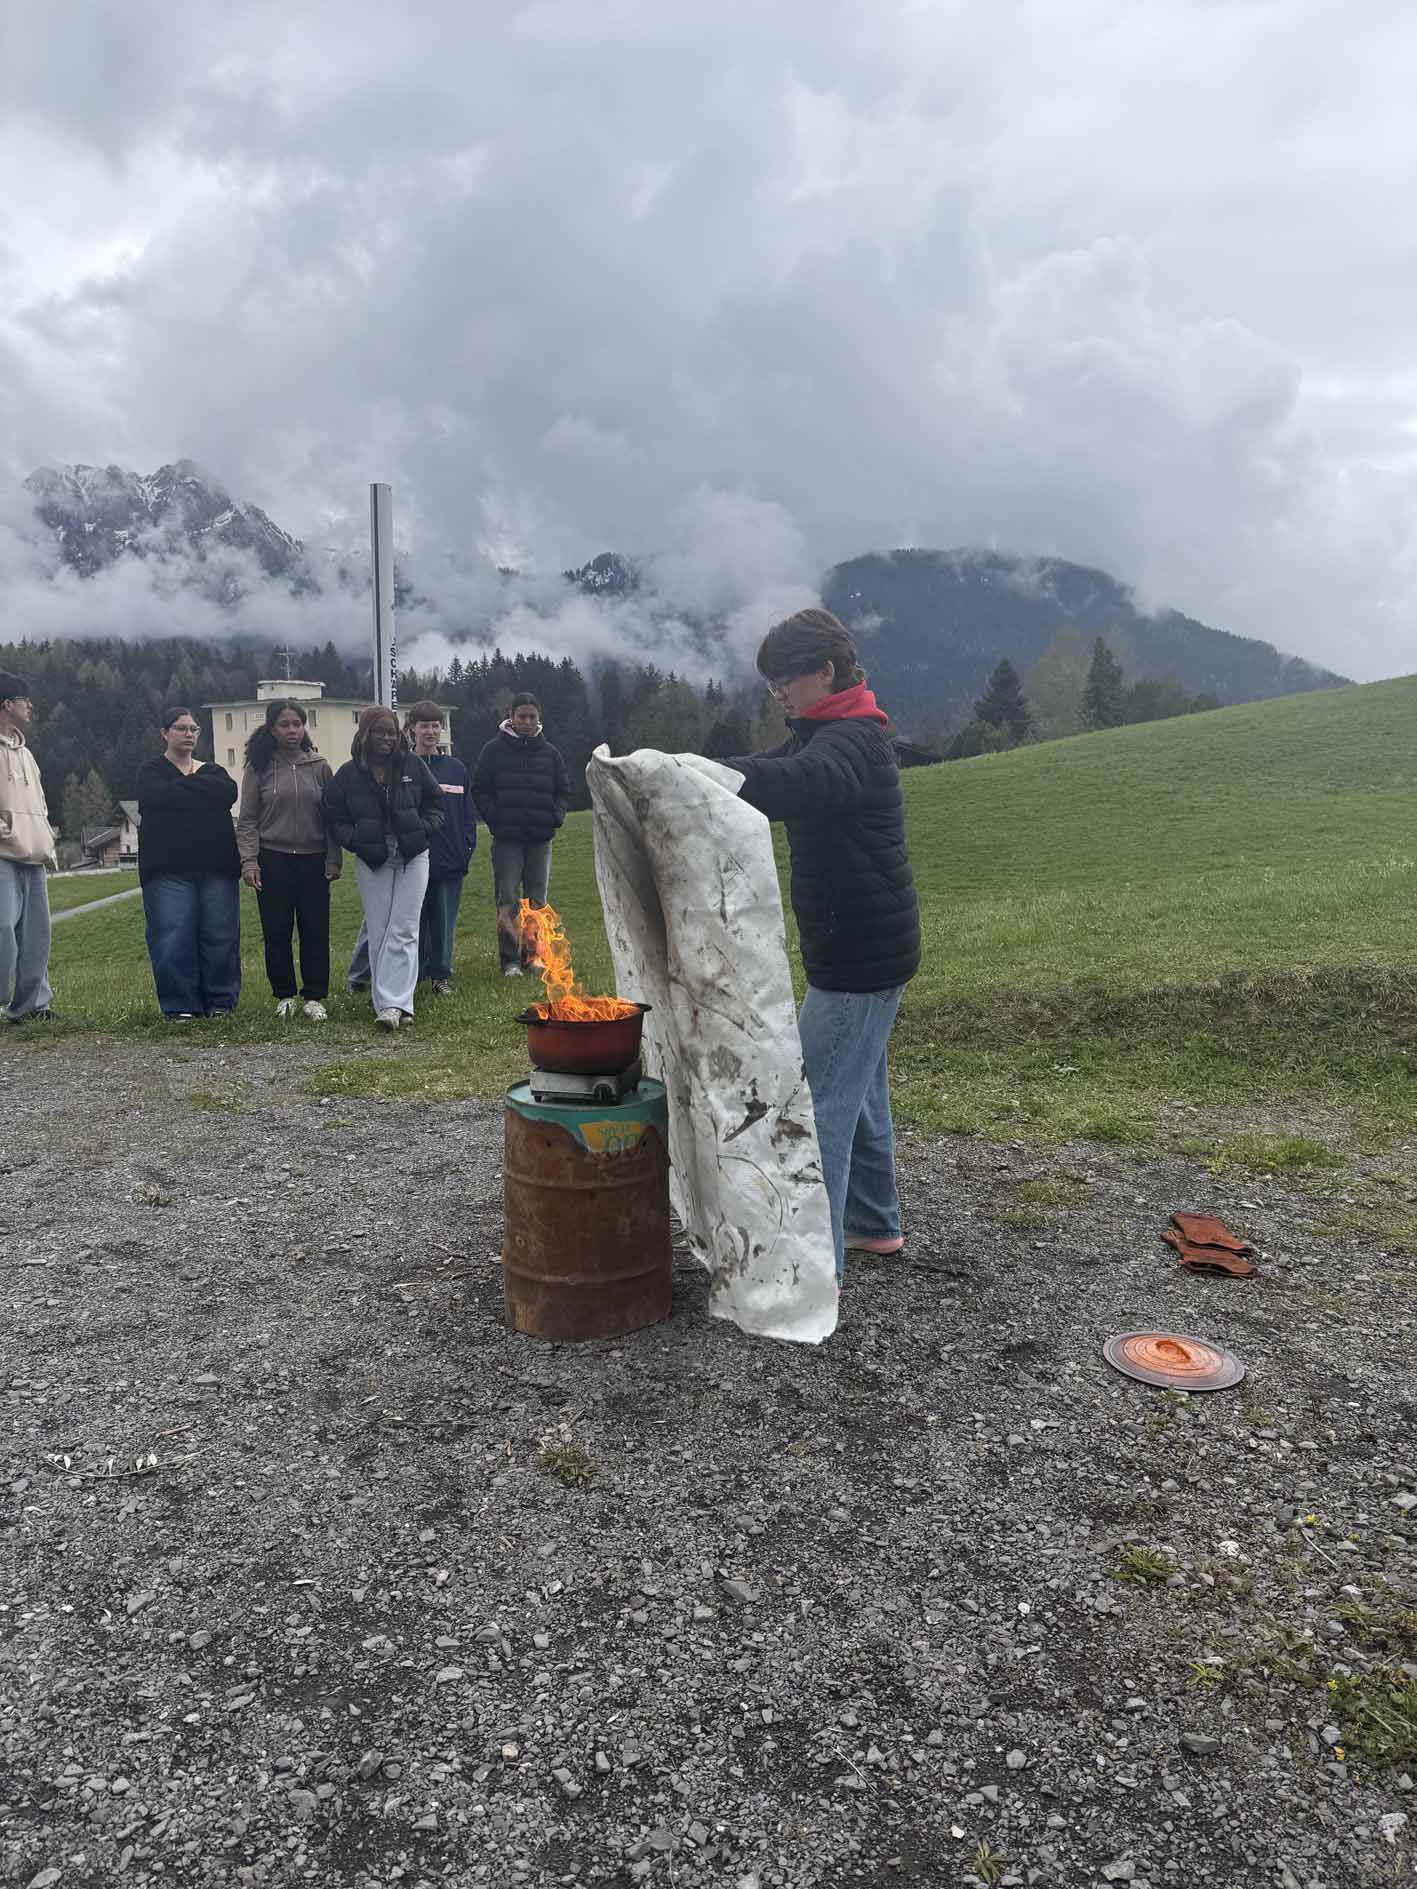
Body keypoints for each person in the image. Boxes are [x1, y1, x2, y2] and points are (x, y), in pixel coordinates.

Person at [724, 609, 920, 1280]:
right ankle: (873, 1222)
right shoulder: (830, 731)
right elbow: (773, 766)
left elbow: (795, 783)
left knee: (813, 1107)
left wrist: (698, 778)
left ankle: (810, 1271)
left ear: (826, 671)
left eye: (786, 678)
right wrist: (694, 769)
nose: (778, 692)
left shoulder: (853, 742)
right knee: (859, 1094)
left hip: (859, 959)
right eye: (771, 681)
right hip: (867, 950)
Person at [325, 705, 444, 1030]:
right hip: (372, 857)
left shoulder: (413, 765)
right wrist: (355, 840)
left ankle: (396, 1004)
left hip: (412, 855)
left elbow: (436, 802)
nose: (387, 739)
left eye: (391, 732)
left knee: (404, 928)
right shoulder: (348, 774)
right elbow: (334, 815)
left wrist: (422, 829)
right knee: (379, 929)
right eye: (380, 732)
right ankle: (387, 1003)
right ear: (365, 734)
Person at [237, 699, 341, 1021]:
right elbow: (247, 820)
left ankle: (314, 996)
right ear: (272, 729)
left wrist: (333, 859)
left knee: (315, 930)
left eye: (297, 724)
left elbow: (332, 819)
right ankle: (284, 995)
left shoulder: (320, 766)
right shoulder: (259, 768)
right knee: (277, 931)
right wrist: (249, 861)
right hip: (273, 859)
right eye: (285, 725)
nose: (292, 730)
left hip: (314, 860)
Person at [137, 706, 242, 1020]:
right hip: (166, 872)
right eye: (181, 728)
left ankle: (221, 1002)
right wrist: (201, 791)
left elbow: (229, 792)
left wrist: (181, 792)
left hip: (218, 869)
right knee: (172, 937)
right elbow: (156, 797)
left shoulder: (214, 771)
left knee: (220, 936)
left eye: (194, 729)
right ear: (164, 733)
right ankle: (180, 1005)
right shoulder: (151, 771)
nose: (189, 734)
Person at [471, 692, 570, 977]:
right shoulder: (493, 750)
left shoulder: (550, 753)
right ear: (511, 717)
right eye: (522, 716)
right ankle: (510, 960)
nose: (527, 721)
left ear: (539, 718)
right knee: (508, 900)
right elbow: (480, 789)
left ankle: (534, 956)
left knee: (537, 900)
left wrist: (556, 816)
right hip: (507, 840)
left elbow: (563, 790)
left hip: (540, 838)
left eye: (532, 717)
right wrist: (495, 818)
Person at [0, 670, 57, 1024]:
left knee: (37, 934)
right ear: (7, 704)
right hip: (3, 854)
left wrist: (45, 837)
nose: (30, 706)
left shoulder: (27, 755)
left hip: (34, 855)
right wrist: (7, 832)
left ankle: (33, 1007)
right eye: (25, 700)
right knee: (3, 928)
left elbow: (41, 804)